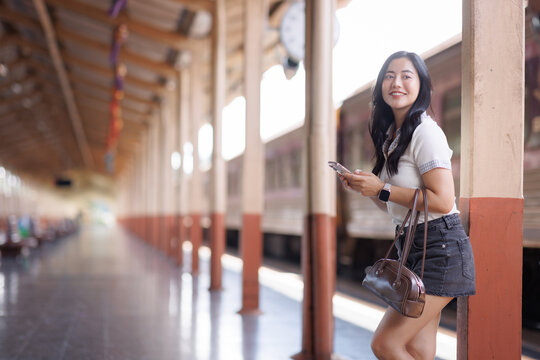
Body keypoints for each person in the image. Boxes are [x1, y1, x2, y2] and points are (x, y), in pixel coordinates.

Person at [338, 51, 476, 360]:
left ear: (421, 86)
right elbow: (400, 208)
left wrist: (383, 188)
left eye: (406, 76)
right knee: (417, 350)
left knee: (385, 344)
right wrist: (370, 191)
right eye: (389, 76)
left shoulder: (425, 132)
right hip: (414, 247)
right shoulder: (394, 137)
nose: (396, 82)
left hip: (440, 249)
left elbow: (442, 201)